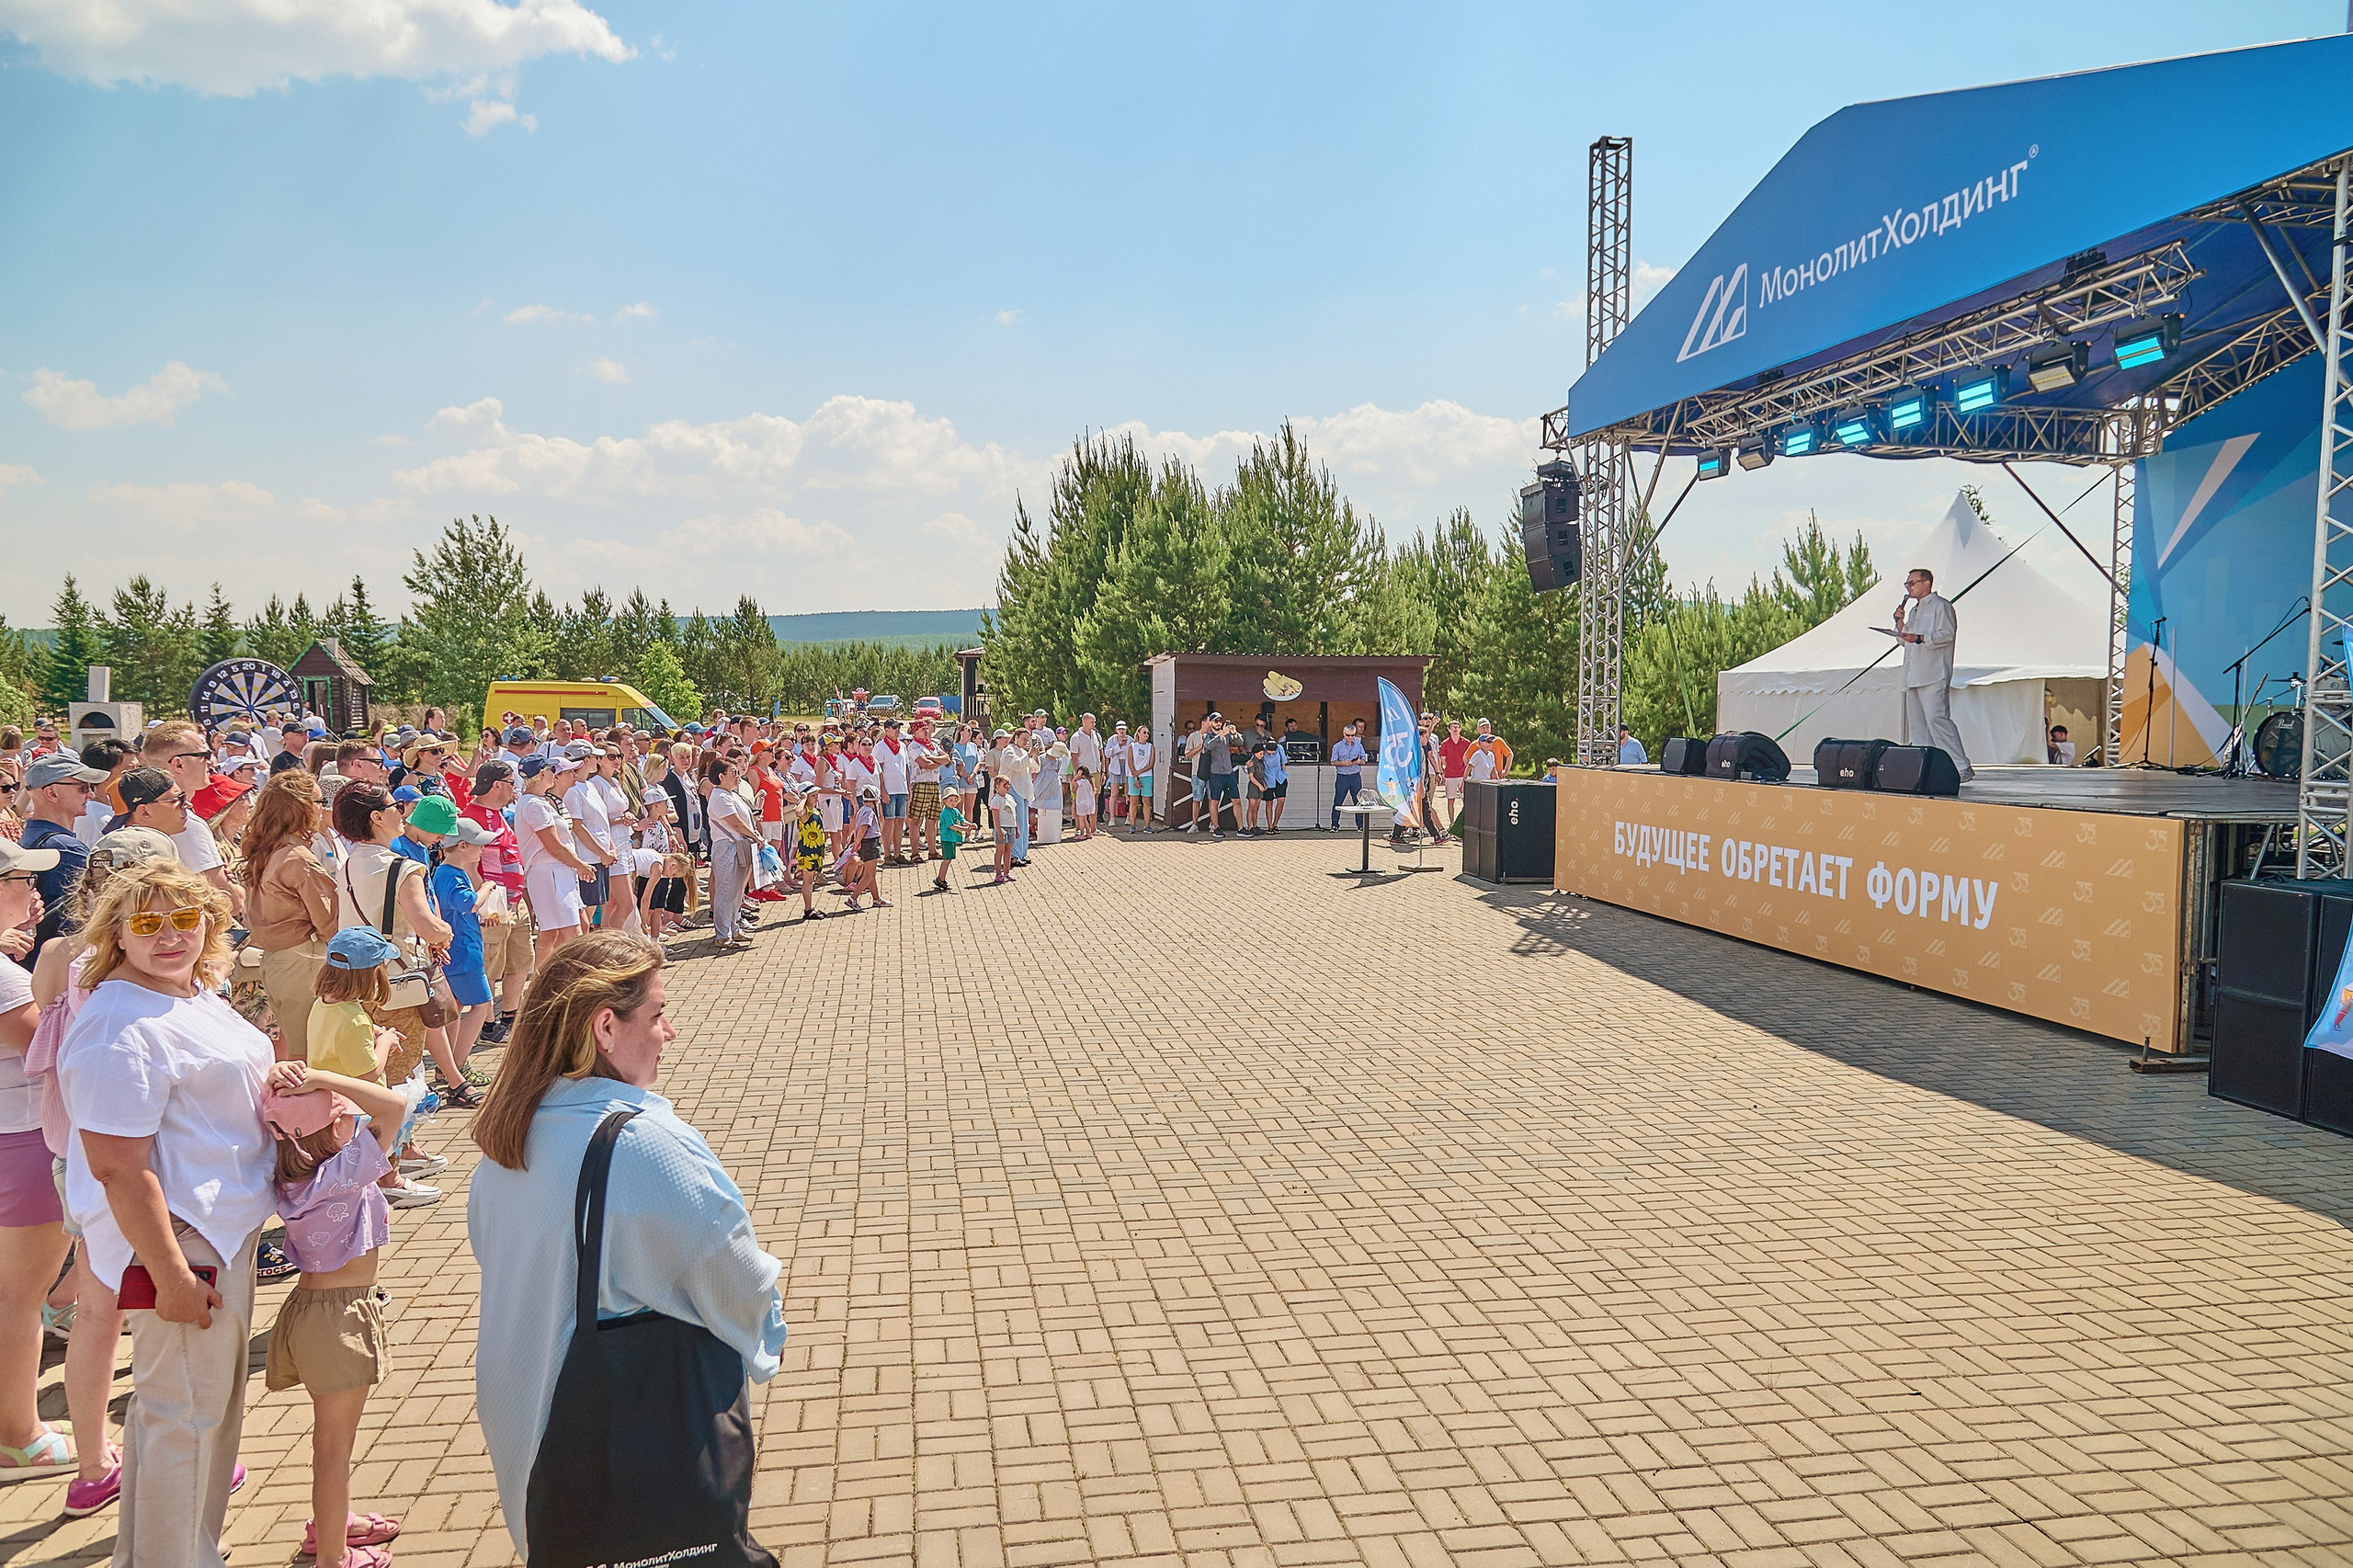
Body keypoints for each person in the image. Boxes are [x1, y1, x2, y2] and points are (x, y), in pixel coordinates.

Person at [465, 935, 785, 1564]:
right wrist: (763, 1336)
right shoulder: (645, 1146)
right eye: (658, 1014)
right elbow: (736, 1283)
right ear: (605, 1027)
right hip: (627, 1454)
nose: (670, 1031)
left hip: (531, 1445)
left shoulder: (505, 1144)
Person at [57, 859, 277, 1567]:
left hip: (217, 1233)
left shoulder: (186, 993)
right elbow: (117, 1165)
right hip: (184, 1243)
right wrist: (171, 1274)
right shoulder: (117, 1023)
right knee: (181, 1421)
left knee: (195, 1420)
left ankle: (171, 1555)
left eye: (185, 918)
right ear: (116, 934)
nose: (171, 935)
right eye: (148, 924)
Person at [258, 1059, 417, 1568]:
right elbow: (395, 1105)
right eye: (344, 1117)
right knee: (333, 1449)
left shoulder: (288, 1175)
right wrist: (325, 1078)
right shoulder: (344, 1171)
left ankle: (334, 1519)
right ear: (332, 1130)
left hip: (310, 1309)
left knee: (331, 1441)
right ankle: (332, 1554)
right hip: (338, 1319)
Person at [0, 836, 67, 1484]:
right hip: (21, 1143)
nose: (33, 891)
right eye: (21, 878)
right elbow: (49, 1049)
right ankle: (19, 1436)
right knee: (21, 1300)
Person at [240, 770, 340, 1059]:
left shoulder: (267, 850)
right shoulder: (297, 857)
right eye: (320, 801)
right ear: (303, 808)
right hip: (303, 960)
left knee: (297, 1051)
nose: (324, 807)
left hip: (276, 961)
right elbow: (327, 925)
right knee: (311, 1056)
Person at [21, 752, 104, 960]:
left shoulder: (32, 833)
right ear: (52, 794)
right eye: (83, 788)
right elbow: (85, 920)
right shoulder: (66, 849)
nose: (91, 795)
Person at [1894, 565, 1973, 780]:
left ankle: (1961, 766)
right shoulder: (1915, 610)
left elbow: (1946, 635)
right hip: (1913, 673)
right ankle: (1924, 766)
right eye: (1907, 584)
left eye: (1912, 583)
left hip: (1932, 673)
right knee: (1918, 725)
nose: (1909, 588)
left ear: (1926, 583)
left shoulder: (1941, 607)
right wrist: (1900, 623)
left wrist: (1920, 637)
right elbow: (1904, 640)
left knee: (1937, 720)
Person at [516, 756, 595, 965]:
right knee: (572, 932)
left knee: (554, 932)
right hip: (548, 872)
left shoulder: (539, 801)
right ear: (541, 774)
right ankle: (577, 980)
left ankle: (545, 979)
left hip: (557, 871)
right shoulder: (534, 805)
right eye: (550, 770)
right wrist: (580, 864)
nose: (553, 773)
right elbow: (553, 845)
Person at [705, 756, 759, 949]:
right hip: (726, 847)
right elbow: (735, 822)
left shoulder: (731, 794)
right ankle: (722, 934)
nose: (737, 776)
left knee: (737, 891)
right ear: (721, 776)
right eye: (733, 773)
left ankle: (734, 928)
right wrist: (756, 836)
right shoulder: (719, 796)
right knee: (726, 890)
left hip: (739, 845)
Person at [1330, 721, 1369, 829]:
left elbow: (1364, 761)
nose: (1350, 738)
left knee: (1358, 801)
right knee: (1338, 801)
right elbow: (1333, 761)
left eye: (1352, 735)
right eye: (1348, 735)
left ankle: (1360, 826)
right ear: (1344, 734)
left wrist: (1358, 761)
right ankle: (1334, 825)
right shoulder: (1337, 746)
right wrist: (1343, 763)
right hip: (1342, 776)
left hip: (1355, 776)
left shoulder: (1359, 745)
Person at [1125, 722, 1154, 833]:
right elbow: (1130, 762)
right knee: (1134, 800)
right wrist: (1135, 776)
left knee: (1146, 801)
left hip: (1146, 775)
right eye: (1144, 732)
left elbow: (1151, 764)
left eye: (1147, 733)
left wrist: (1140, 772)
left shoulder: (1150, 747)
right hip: (1133, 776)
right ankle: (1133, 825)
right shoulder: (1132, 746)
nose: (1146, 734)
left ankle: (1147, 825)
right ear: (1138, 733)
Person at [989, 775, 1017, 885]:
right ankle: (998, 873)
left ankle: (1007, 872)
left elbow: (1015, 814)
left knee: (1008, 851)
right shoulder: (996, 800)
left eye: (1008, 784)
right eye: (1005, 784)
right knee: (1000, 851)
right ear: (997, 786)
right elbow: (995, 817)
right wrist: (999, 831)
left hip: (1011, 827)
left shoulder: (1010, 798)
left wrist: (1017, 828)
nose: (1007, 786)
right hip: (1002, 828)